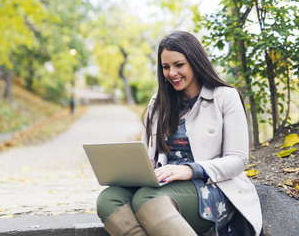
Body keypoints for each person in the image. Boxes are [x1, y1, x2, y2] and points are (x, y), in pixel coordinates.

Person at [96, 31, 262, 236]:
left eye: (179, 65)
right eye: (166, 67)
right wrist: (144, 167)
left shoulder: (225, 97)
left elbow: (238, 160)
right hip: (164, 183)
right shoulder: (158, 102)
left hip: (212, 186)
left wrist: (191, 170)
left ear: (195, 61)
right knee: (108, 199)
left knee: (146, 199)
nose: (171, 72)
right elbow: (147, 152)